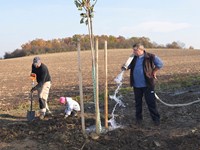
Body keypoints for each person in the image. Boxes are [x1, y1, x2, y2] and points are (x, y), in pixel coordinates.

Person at [121, 43, 163, 126]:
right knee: (138, 103)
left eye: (135, 50)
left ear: (141, 50)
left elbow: (160, 64)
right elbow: (127, 67)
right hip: (136, 85)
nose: (134, 52)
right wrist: (124, 66)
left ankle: (156, 120)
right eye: (133, 50)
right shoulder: (133, 58)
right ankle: (138, 120)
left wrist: (154, 71)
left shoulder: (150, 56)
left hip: (148, 84)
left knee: (151, 103)